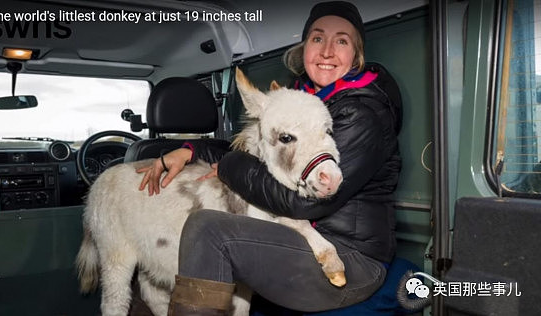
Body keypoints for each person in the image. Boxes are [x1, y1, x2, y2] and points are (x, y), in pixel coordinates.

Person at [138, 1, 402, 315]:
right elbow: (260, 149)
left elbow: (304, 203)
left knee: (209, 228)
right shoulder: (304, 100)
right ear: (304, 48)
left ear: (356, 56)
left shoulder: (361, 114)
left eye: (342, 41)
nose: (328, 51)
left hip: (351, 257)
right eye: (317, 38)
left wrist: (228, 167)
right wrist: (193, 150)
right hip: (304, 239)